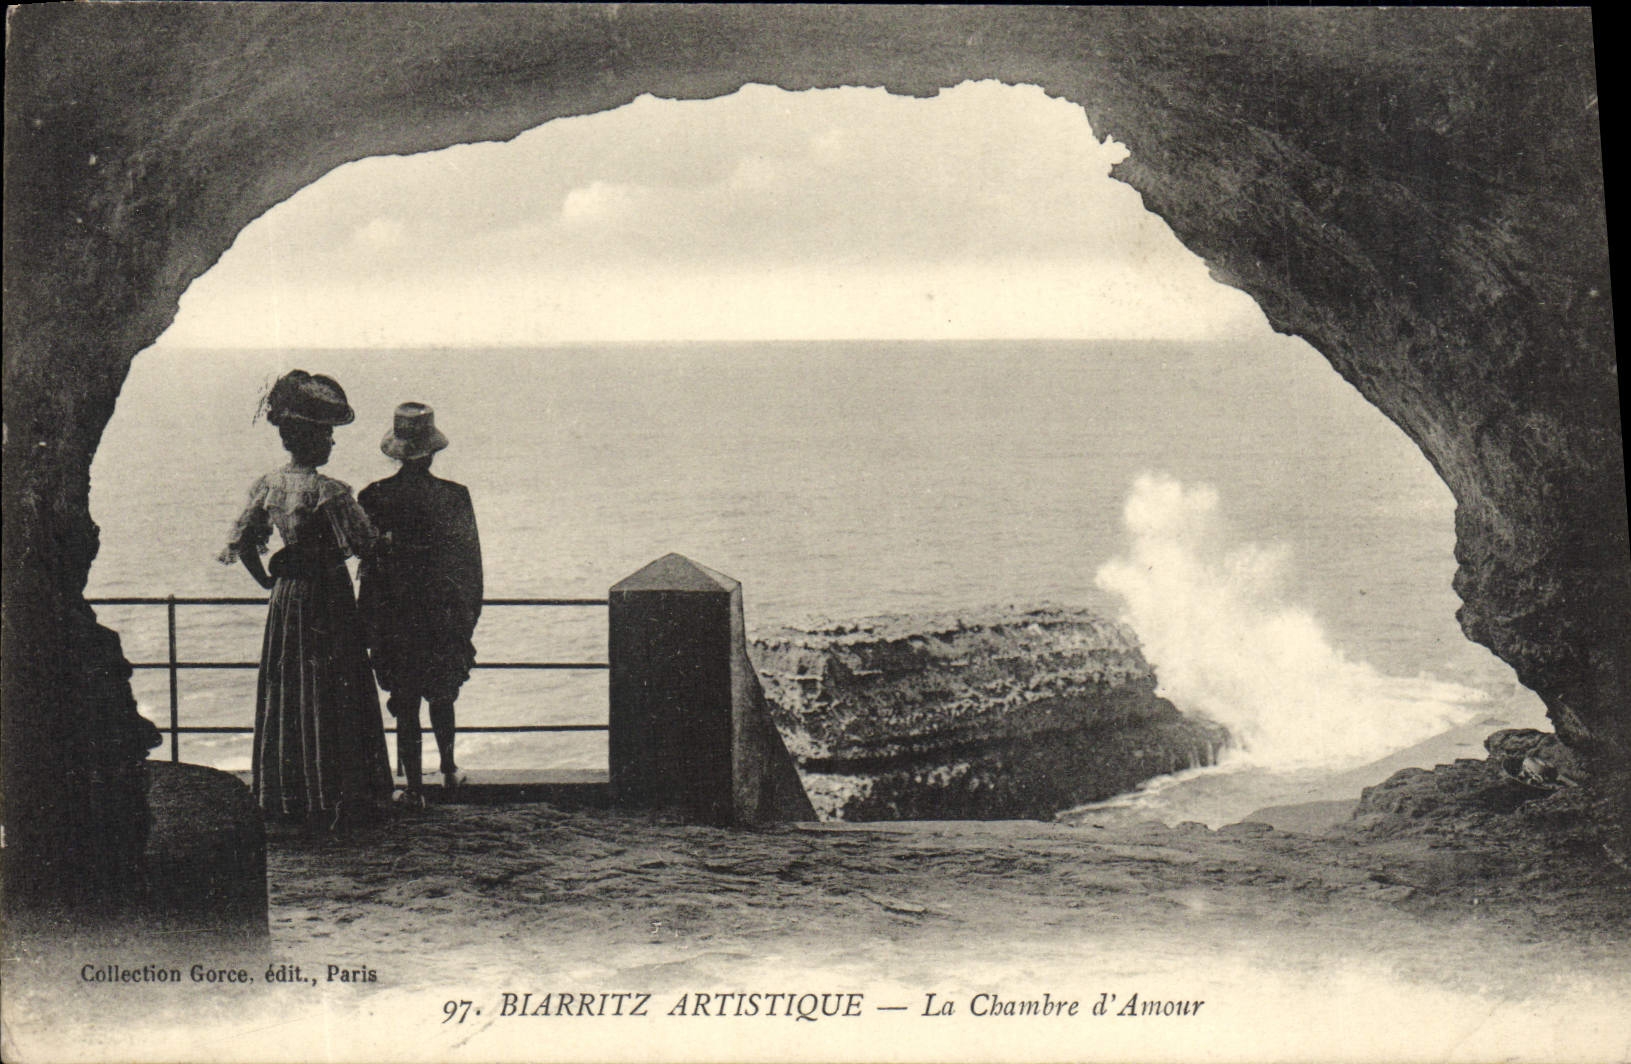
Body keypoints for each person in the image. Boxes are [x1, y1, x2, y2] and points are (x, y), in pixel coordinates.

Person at [220, 370, 393, 828]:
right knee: (333, 685)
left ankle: (291, 793)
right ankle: (338, 794)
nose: (332, 443)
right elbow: (368, 545)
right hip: (327, 595)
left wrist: (268, 582)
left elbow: (242, 542)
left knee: (291, 684)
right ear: (314, 441)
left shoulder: (269, 484)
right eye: (328, 435)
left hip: (287, 598)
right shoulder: (330, 492)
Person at [358, 402, 483, 807]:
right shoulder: (455, 496)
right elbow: (470, 565)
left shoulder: (373, 496)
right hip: (441, 614)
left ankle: (413, 787)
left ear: (396, 452)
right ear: (431, 452)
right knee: (443, 696)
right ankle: (448, 770)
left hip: (394, 617)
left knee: (406, 702)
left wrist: (369, 624)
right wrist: (467, 616)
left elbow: (368, 568)